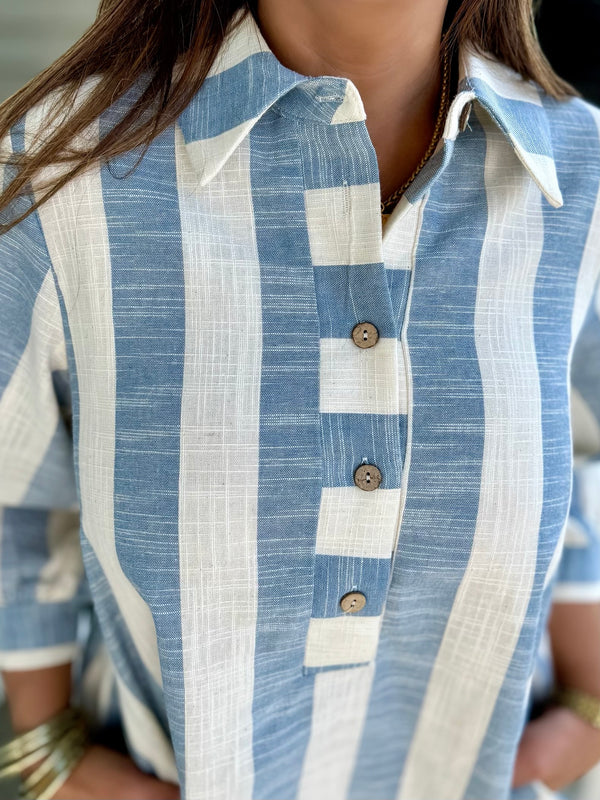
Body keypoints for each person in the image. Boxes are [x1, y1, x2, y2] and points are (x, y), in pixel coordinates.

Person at [0, 1, 600, 798]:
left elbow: (586, 456)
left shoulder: (582, 182)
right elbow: (14, 500)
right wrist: (48, 755)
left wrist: (588, 713)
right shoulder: (61, 171)